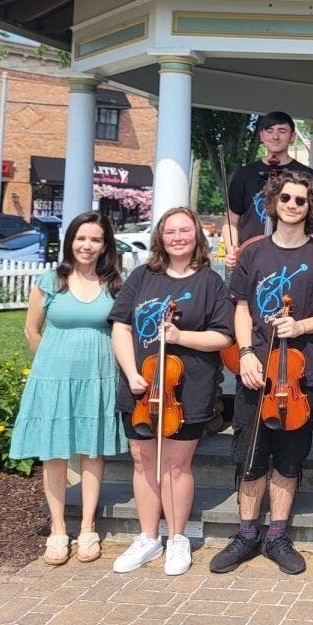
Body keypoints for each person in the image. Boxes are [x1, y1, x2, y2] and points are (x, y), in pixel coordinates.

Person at [211, 169, 313, 576]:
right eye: (286, 199)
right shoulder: (253, 252)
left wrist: (300, 327)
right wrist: (246, 352)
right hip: (255, 370)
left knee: (288, 460)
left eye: (301, 200)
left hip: (299, 374)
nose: (293, 206)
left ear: (310, 207)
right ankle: (247, 534)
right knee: (251, 457)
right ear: (274, 202)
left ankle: (277, 535)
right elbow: (241, 306)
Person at [109, 206, 233, 576]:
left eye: (185, 230)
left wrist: (181, 337)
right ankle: (149, 537)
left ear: (197, 235)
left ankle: (178, 537)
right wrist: (132, 373)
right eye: (170, 231)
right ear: (160, 237)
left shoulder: (211, 282)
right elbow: (120, 327)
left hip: (188, 388)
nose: (178, 237)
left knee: (177, 465)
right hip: (142, 387)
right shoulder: (142, 276)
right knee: (143, 461)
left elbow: (223, 336)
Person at [10, 211, 126, 565]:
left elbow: (123, 330)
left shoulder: (115, 285)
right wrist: (49, 365)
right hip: (54, 378)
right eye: (81, 238)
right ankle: (58, 529)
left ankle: (88, 525)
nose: (87, 246)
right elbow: (32, 330)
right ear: (70, 241)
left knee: (93, 451)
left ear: (105, 244)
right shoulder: (50, 280)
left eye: (95, 239)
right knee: (54, 452)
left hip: (98, 376)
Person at [223, 111, 313, 264]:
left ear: (292, 137)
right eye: (270, 131)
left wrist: (311, 256)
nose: (275, 137)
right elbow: (231, 222)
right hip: (250, 257)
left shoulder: (307, 175)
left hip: (293, 256)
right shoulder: (244, 174)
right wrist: (232, 250)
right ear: (262, 136)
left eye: (282, 131)